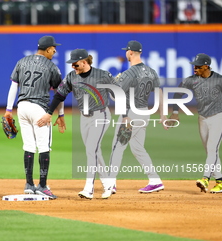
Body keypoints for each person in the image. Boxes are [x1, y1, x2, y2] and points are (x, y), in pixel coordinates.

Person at [38, 49, 119, 199]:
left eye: (75, 65)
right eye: (72, 65)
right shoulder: (71, 77)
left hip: (101, 114)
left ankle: (89, 188)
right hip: (84, 117)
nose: (73, 67)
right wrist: (49, 113)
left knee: (91, 149)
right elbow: (59, 95)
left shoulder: (102, 75)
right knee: (94, 151)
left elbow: (117, 96)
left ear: (84, 62)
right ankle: (108, 184)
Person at [4, 35, 65, 200]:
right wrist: (60, 114)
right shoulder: (52, 66)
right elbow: (59, 93)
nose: (55, 51)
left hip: (22, 107)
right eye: (53, 48)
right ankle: (43, 186)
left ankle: (29, 184)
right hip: (40, 109)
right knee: (44, 147)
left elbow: (13, 87)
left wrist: (8, 110)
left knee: (29, 145)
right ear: (46, 49)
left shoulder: (21, 62)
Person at [108, 40, 168, 194]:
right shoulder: (151, 71)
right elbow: (159, 93)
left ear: (130, 52)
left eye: (126, 51)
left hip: (130, 115)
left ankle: (110, 183)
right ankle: (155, 180)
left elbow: (117, 95)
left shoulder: (129, 73)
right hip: (144, 113)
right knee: (138, 148)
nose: (126, 54)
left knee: (117, 147)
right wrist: (163, 114)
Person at [169, 53, 222, 193]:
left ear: (206, 66)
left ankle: (205, 179)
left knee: (212, 148)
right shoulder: (192, 80)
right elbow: (177, 93)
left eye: (198, 66)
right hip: (202, 118)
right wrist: (175, 112)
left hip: (218, 117)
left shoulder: (218, 80)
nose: (195, 68)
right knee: (210, 151)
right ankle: (220, 181)